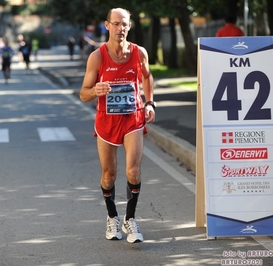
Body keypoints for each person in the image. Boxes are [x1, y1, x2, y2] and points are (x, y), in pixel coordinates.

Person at [79, 8, 155, 244]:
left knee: (133, 171)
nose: (120, 28)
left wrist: (150, 102)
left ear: (129, 26)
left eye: (124, 24)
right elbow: (83, 94)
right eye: (116, 24)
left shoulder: (139, 52)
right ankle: (112, 216)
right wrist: (95, 91)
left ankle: (130, 219)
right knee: (109, 175)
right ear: (107, 26)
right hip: (107, 121)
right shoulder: (97, 57)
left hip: (132, 118)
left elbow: (147, 76)